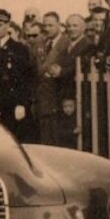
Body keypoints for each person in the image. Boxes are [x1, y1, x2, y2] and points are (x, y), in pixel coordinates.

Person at [0, 9, 36, 139]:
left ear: (8, 25)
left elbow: (25, 78)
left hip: (11, 103)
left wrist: (22, 103)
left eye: (0, 25)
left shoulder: (19, 49)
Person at [34, 11, 72, 145]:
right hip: (44, 100)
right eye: (45, 26)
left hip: (58, 98)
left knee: (58, 142)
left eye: (51, 25)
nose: (47, 29)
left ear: (59, 25)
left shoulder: (66, 42)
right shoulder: (43, 43)